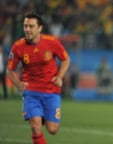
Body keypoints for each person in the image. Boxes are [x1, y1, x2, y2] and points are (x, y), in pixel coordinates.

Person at [6, 13, 70, 144]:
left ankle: (40, 116)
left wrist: (60, 76)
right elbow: (10, 70)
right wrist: (18, 83)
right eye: (25, 26)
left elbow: (66, 59)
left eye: (31, 26)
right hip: (31, 92)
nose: (27, 29)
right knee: (35, 127)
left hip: (51, 91)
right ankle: (36, 118)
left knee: (52, 129)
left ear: (39, 28)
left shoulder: (51, 42)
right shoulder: (18, 46)